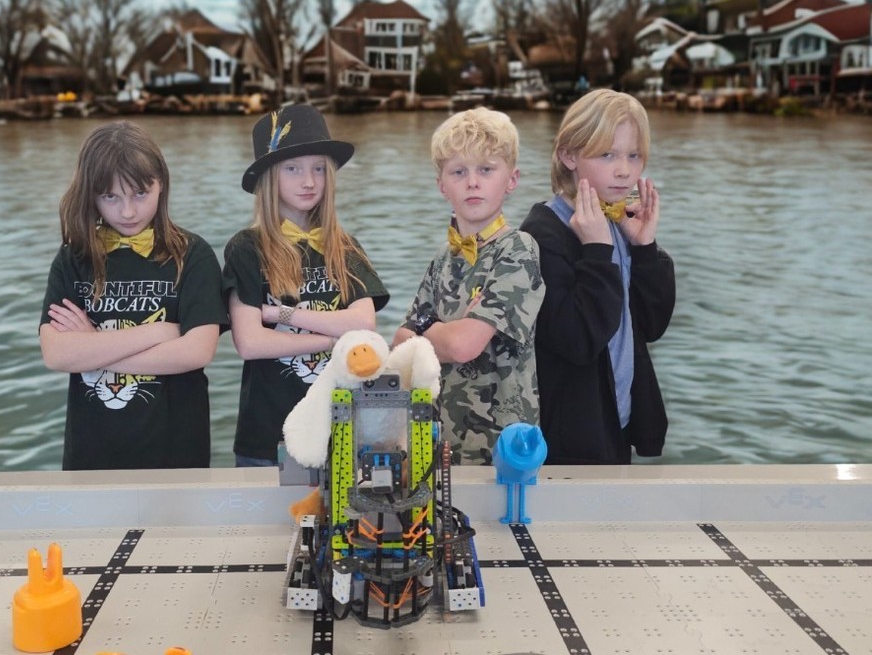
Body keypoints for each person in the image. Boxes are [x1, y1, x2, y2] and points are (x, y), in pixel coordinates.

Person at [39, 121, 228, 471]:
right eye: (110, 196)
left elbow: (197, 351)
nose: (127, 211)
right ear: (90, 195)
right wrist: (157, 332)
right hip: (90, 456)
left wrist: (93, 348)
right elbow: (56, 353)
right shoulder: (73, 259)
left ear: (161, 185)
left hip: (177, 453)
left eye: (140, 193)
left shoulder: (192, 255)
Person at [223, 104, 389, 467]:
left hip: (344, 427)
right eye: (293, 169)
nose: (309, 181)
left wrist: (281, 313)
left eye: (318, 168)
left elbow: (364, 323)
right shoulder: (246, 248)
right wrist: (333, 340)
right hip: (268, 434)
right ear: (269, 176)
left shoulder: (344, 246)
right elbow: (250, 343)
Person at [520, 89, 675, 465]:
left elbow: (651, 324)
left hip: (614, 421)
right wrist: (595, 252)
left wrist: (644, 248)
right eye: (607, 154)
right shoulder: (542, 236)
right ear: (568, 155)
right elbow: (577, 340)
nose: (624, 170)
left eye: (633, 155)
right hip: (569, 438)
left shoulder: (618, 223)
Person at [393, 107, 544, 465]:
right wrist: (443, 331)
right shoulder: (443, 258)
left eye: (486, 170)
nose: (472, 182)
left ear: (511, 179)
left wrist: (427, 329)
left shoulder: (518, 249)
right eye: (459, 171)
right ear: (442, 185)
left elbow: (463, 347)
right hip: (438, 443)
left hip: (502, 448)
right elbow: (400, 345)